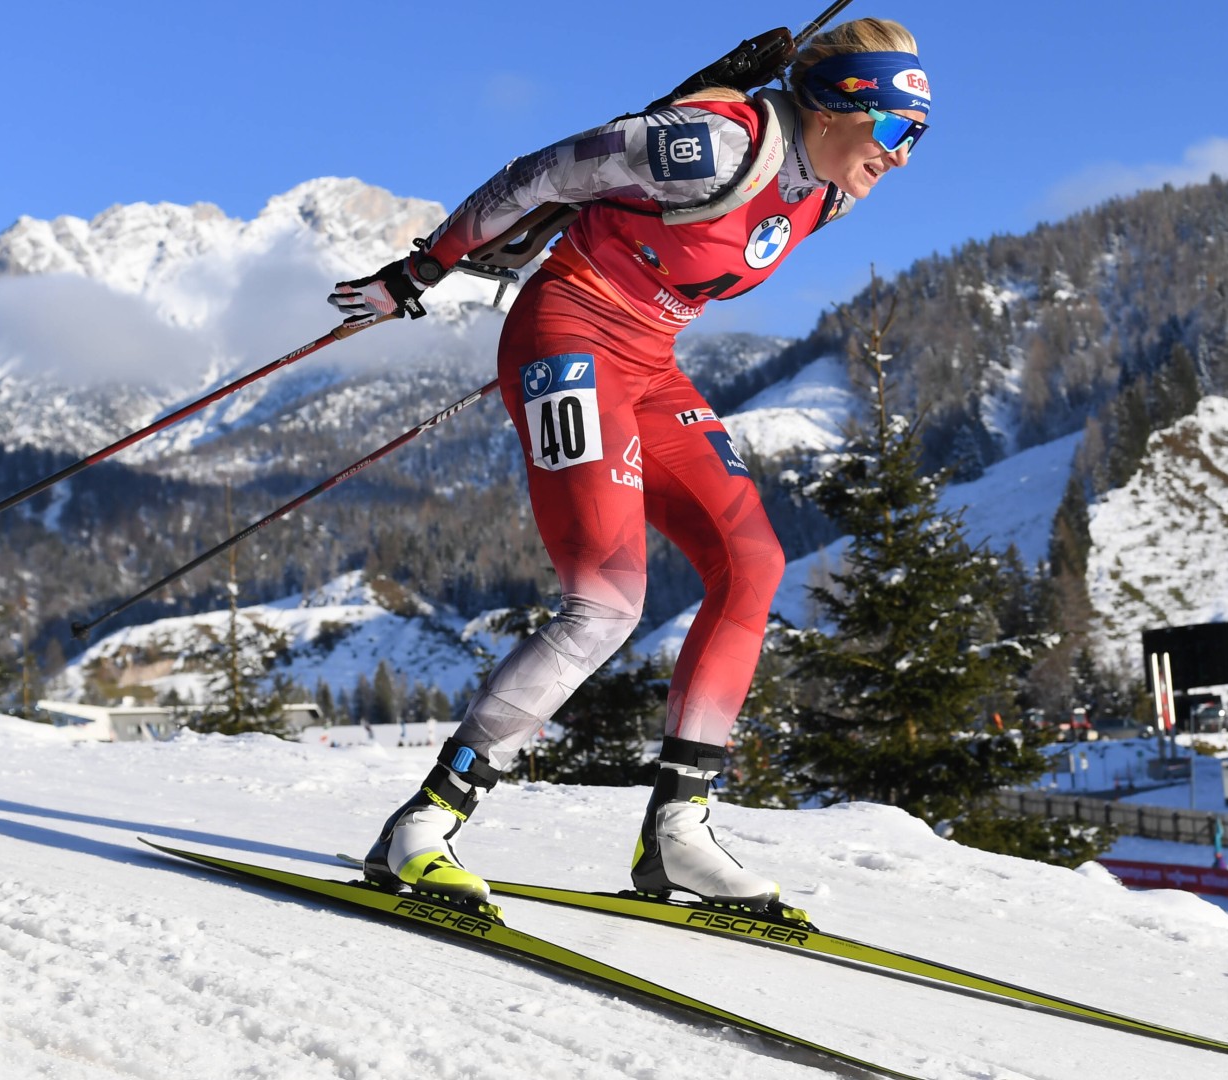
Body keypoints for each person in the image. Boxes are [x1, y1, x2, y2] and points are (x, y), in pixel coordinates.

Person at [330, 18, 931, 909]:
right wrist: (420, 272)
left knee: (753, 563)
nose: (903, 154)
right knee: (607, 601)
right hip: (567, 333)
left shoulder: (830, 191)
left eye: (919, 136)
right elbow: (539, 175)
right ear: (835, 106)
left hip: (649, 362)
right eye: (893, 127)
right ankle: (423, 823)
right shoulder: (717, 146)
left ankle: (678, 834)